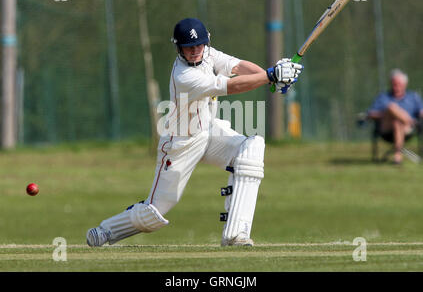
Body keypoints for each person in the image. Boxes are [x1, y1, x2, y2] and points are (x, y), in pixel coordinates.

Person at [86, 18, 303, 247]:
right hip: (180, 142)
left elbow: (238, 67)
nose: (195, 51)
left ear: (206, 41)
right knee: (155, 212)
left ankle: (235, 235)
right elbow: (231, 86)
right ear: (178, 47)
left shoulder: (207, 53)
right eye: (189, 47)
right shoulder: (184, 76)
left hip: (208, 131)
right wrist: (270, 75)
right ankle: (106, 231)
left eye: (199, 45)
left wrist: (272, 78)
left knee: (252, 147)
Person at [367, 69, 423, 164]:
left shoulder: (413, 97)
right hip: (386, 128)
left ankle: (397, 156)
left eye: (399, 84)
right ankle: (408, 120)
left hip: (407, 130)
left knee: (397, 122)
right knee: (391, 107)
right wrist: (386, 113)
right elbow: (371, 114)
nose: (396, 87)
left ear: (405, 84)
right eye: (394, 84)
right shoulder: (383, 97)